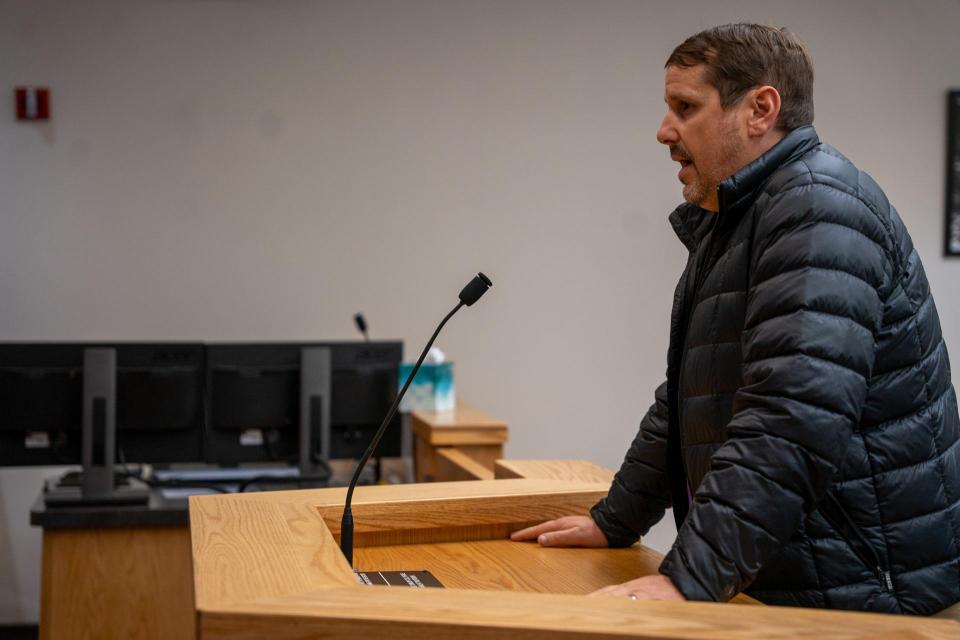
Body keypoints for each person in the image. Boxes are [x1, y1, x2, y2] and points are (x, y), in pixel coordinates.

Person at [512, 23, 960, 615]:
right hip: (809, 583)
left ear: (760, 109)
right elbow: (693, 400)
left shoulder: (818, 208)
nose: (664, 131)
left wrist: (690, 577)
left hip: (876, 597)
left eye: (685, 107)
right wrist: (615, 519)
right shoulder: (744, 216)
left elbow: (791, 416)